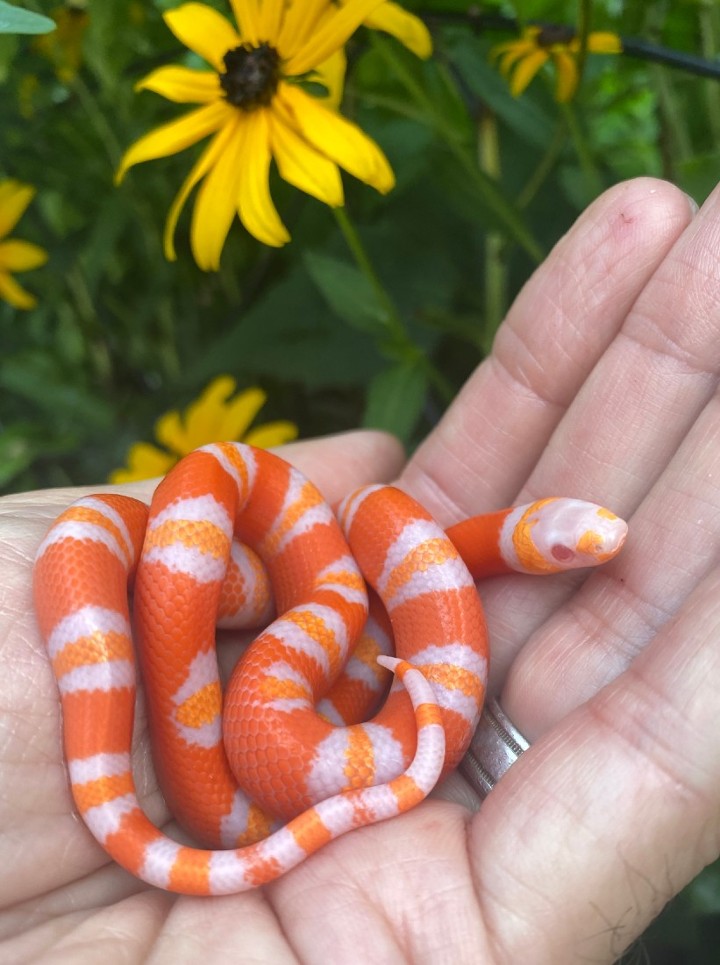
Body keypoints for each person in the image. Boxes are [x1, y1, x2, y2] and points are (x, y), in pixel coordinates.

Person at [1, 176, 718, 963]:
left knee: (310, 589)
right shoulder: (348, 562)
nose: (589, 551)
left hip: (307, 684)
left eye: (576, 547)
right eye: (572, 546)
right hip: (287, 684)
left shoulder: (367, 554)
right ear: (529, 545)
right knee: (287, 581)